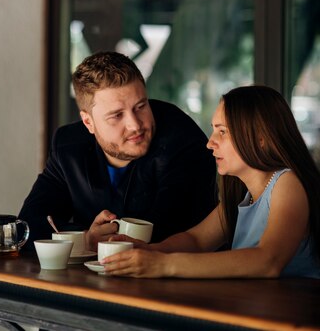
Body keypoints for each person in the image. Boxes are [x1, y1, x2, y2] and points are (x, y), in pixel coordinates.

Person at [102, 85, 320, 278]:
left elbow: (268, 261)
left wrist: (164, 265)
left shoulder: (287, 183)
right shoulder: (243, 193)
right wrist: (151, 250)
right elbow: (196, 240)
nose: (210, 143)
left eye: (222, 131)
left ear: (260, 139)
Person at [18, 51, 217, 250]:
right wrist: (85, 238)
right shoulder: (68, 146)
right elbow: (28, 226)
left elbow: (162, 234)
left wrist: (89, 240)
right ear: (88, 122)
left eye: (141, 106)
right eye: (117, 115)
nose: (135, 125)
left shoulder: (181, 140)